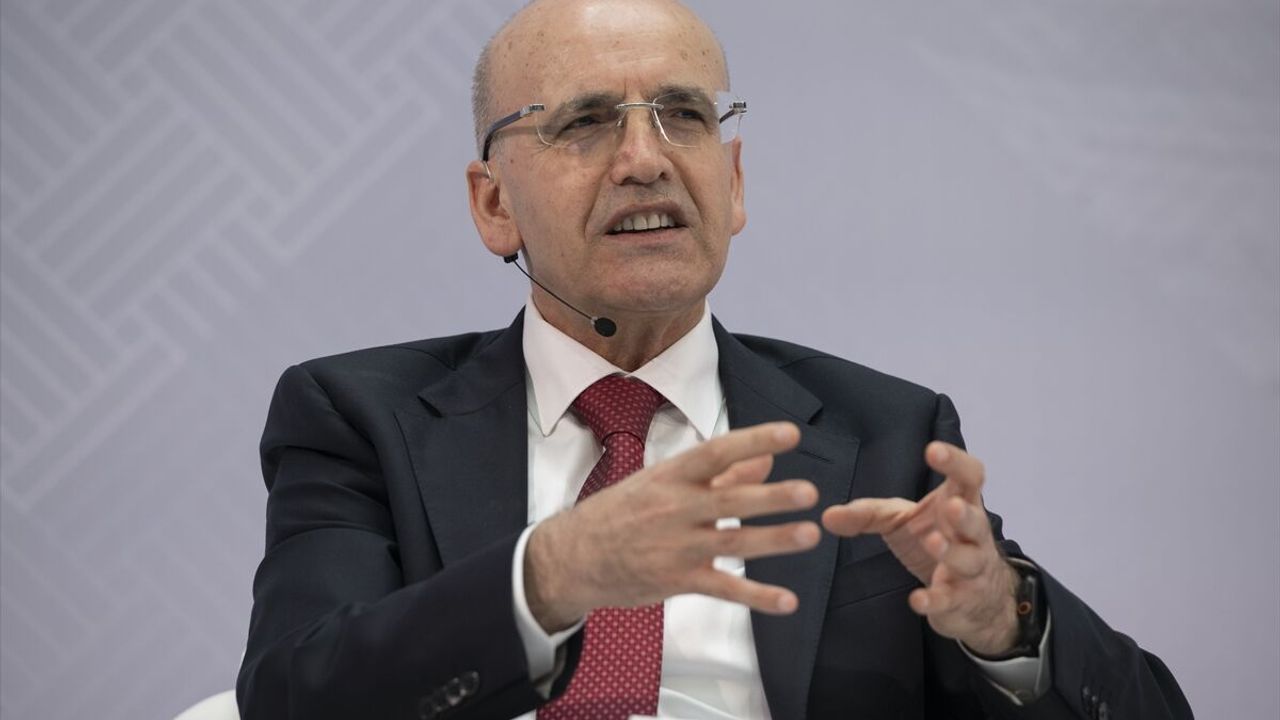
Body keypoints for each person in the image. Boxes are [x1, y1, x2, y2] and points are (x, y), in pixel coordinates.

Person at [236, 1, 1192, 718]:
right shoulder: (361, 416)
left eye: (684, 115)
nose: (645, 159)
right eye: (586, 122)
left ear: (732, 185)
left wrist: (1006, 622)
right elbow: (292, 694)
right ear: (494, 205)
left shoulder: (886, 434)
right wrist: (555, 573)